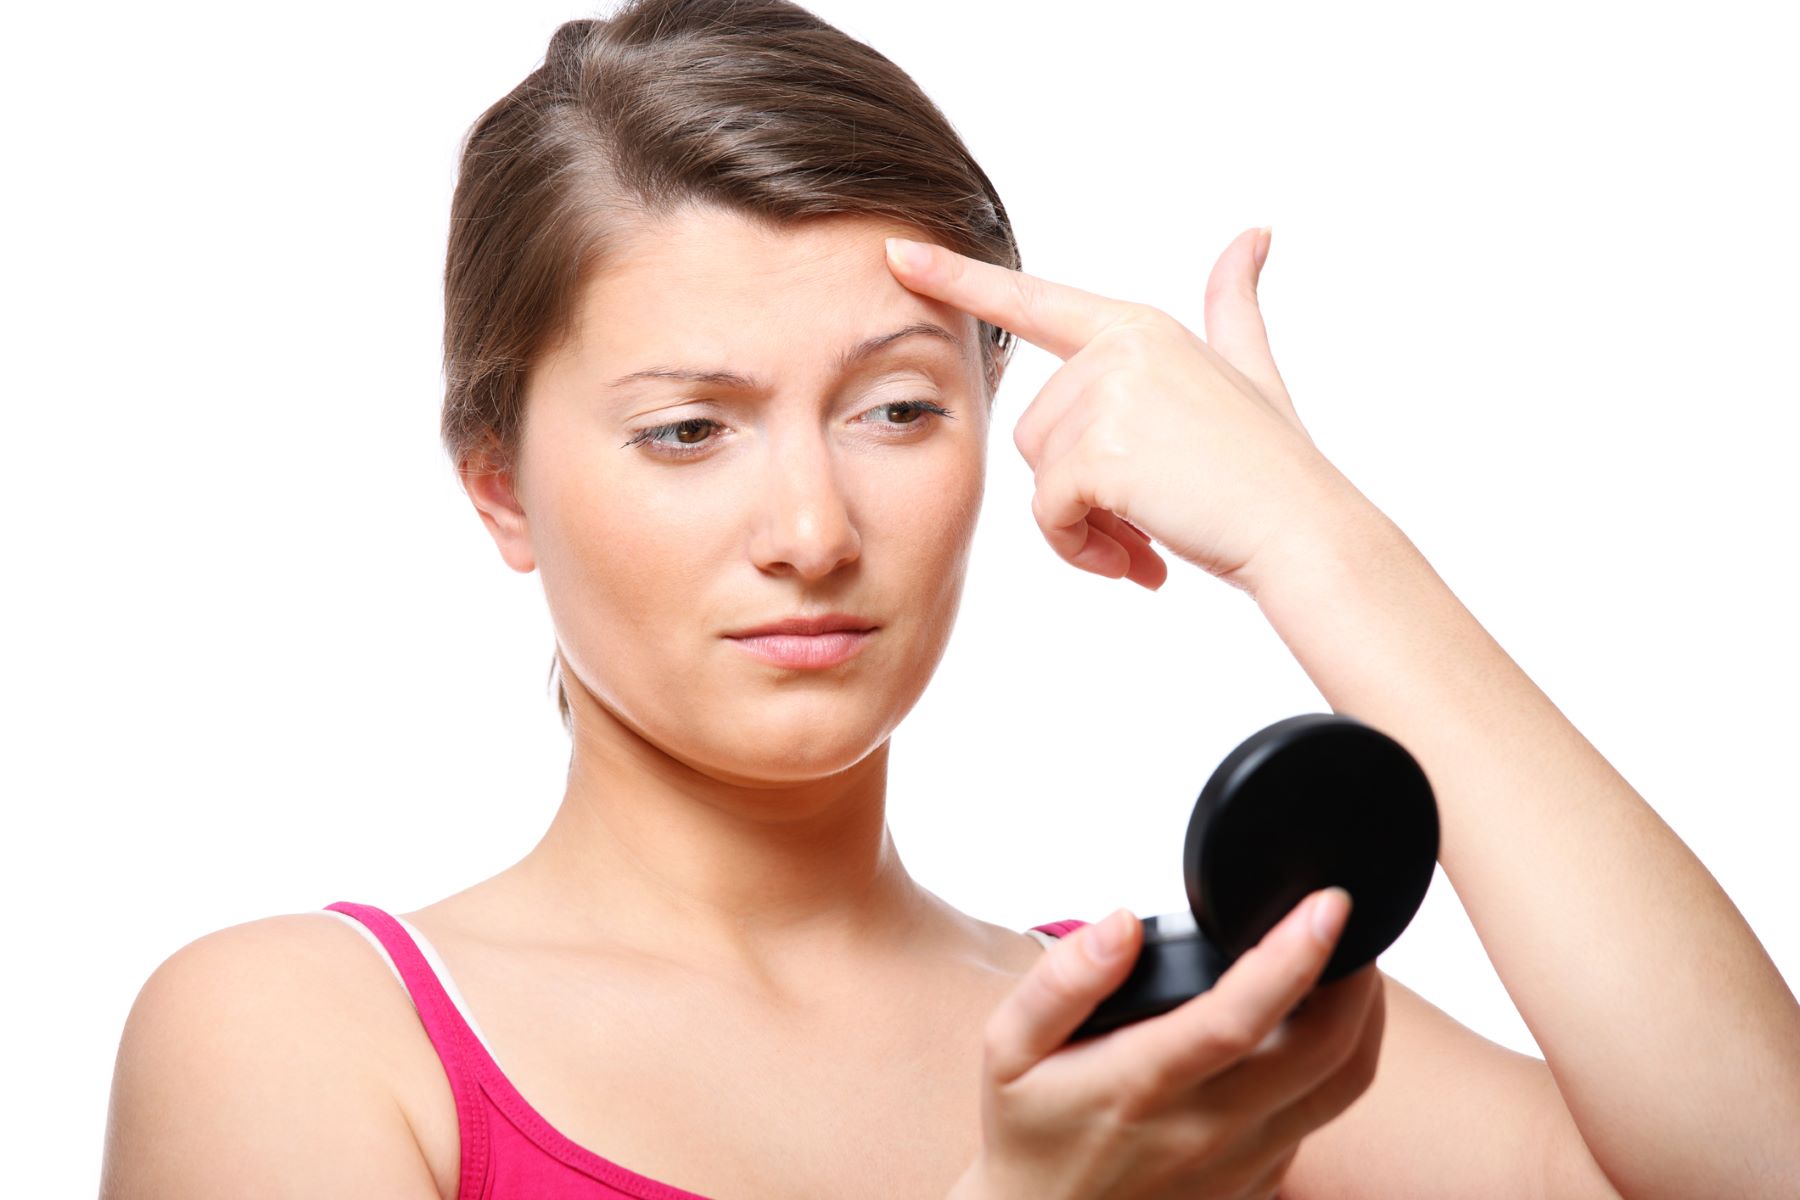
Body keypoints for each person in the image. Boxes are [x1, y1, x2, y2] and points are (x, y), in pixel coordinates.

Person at [99, 1, 1800, 1197]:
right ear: (499, 487)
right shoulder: (301, 1036)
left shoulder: (1174, 1052)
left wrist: (1317, 539)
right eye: (689, 429)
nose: (814, 528)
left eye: (898, 408)